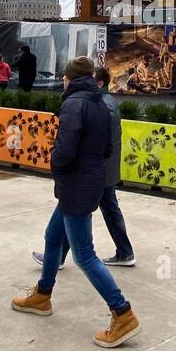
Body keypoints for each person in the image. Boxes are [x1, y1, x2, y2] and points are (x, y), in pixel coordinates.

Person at [12, 57, 141, 348]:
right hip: (89, 181)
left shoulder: (73, 104)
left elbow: (64, 150)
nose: (62, 81)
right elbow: (107, 147)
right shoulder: (101, 103)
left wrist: (57, 167)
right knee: (52, 237)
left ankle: (123, 313)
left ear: (70, 78)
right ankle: (42, 295)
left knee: (83, 254)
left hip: (76, 185)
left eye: (64, 77)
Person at [31, 65, 135, 270]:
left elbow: (98, 144)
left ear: (99, 83)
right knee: (91, 211)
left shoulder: (102, 105)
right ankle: (124, 252)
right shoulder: (103, 102)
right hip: (102, 170)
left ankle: (59, 257)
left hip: (96, 171)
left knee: (74, 212)